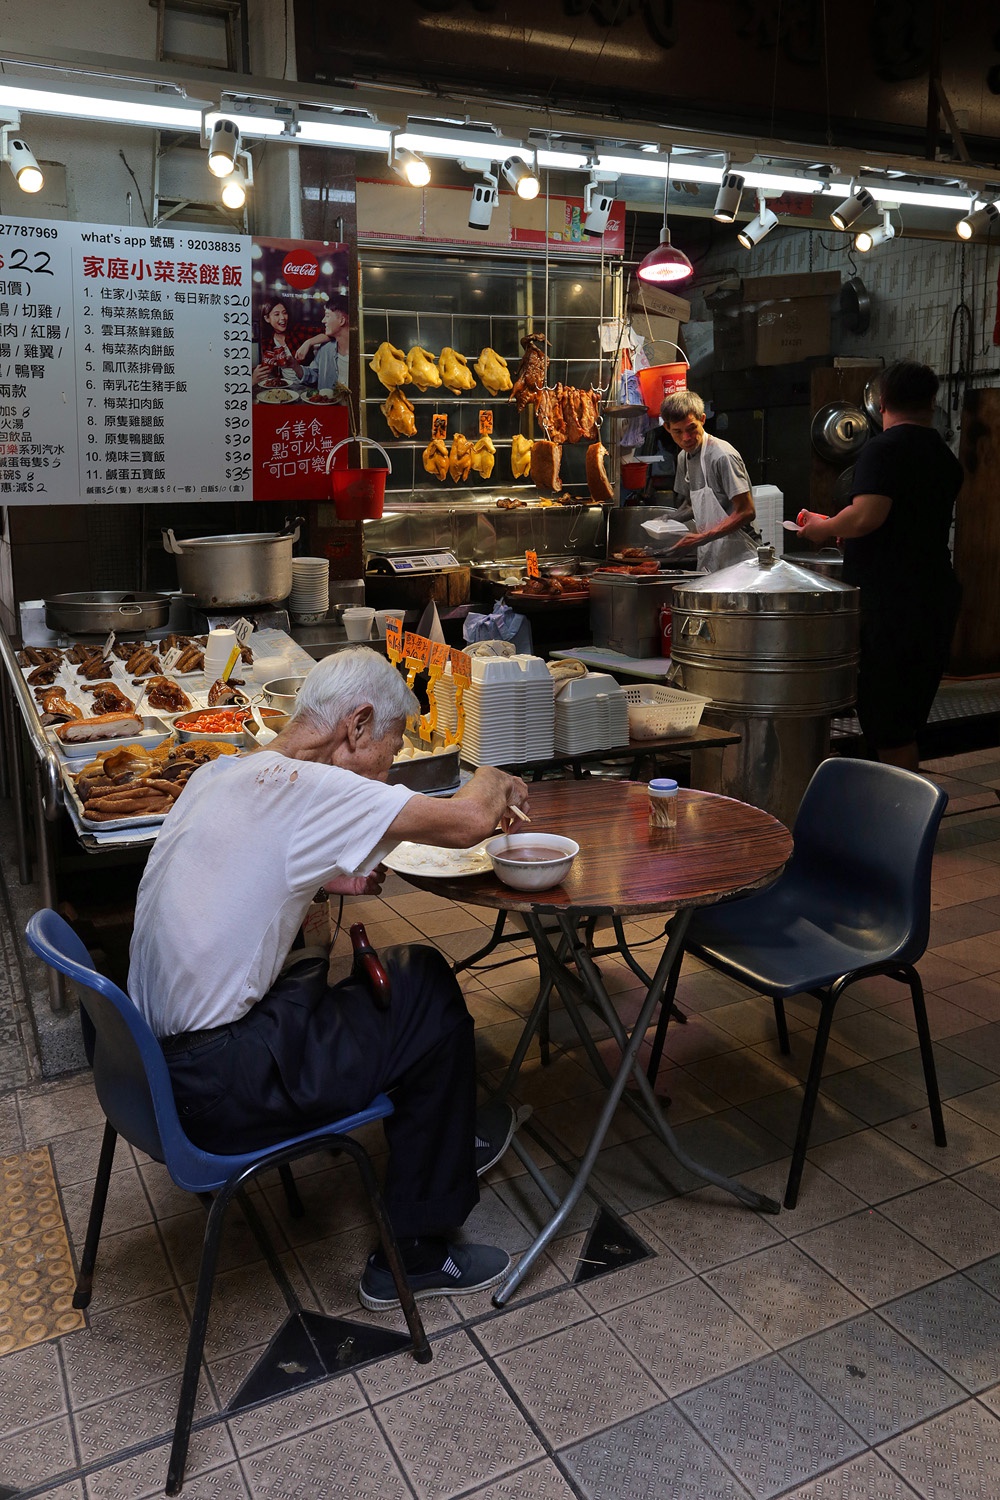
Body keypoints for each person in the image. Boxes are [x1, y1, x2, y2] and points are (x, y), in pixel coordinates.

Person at [128, 649, 530, 1310]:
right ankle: (420, 1249)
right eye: (391, 751)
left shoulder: (224, 772)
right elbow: (467, 823)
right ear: (359, 726)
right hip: (218, 1090)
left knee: (343, 960)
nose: (388, 770)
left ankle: (441, 1138)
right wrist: (492, 777)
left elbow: (257, 865)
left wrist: (330, 875)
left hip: (150, 1069)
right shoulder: (308, 787)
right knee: (424, 986)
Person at [798, 360, 963, 772]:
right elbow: (902, 521)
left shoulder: (883, 448)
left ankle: (896, 822)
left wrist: (823, 528)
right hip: (933, 595)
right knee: (904, 719)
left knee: (888, 725)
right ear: (932, 401)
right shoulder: (944, 455)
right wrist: (844, 529)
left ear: (881, 402)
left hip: (893, 603)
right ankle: (898, 816)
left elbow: (866, 516)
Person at [659, 390, 759, 572]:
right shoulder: (683, 457)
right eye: (677, 432)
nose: (686, 438)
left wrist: (701, 537)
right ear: (667, 428)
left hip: (741, 552)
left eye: (691, 428)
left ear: (703, 419)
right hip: (711, 551)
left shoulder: (721, 456)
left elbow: (746, 511)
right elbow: (693, 505)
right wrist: (667, 519)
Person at [297, 298, 349, 390]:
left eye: (327, 316)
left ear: (341, 321)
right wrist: (294, 366)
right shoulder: (325, 349)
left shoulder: (361, 354)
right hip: (328, 403)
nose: (323, 321)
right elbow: (314, 376)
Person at [252, 300, 304, 389]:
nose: (283, 317)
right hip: (285, 388)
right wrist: (255, 377)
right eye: (277, 314)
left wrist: (308, 343)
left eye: (284, 313)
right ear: (267, 319)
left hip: (306, 385)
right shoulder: (267, 342)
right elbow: (269, 372)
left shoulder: (297, 331)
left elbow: (328, 334)